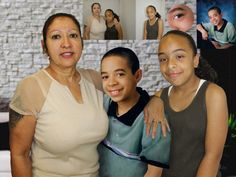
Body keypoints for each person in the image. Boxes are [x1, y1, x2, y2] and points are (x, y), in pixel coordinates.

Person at [9, 13, 166, 177]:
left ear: (82, 42)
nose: (66, 44)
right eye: (56, 37)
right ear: (44, 45)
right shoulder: (31, 87)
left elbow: (131, 95)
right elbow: (19, 155)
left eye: (73, 35)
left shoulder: (95, 80)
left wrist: (155, 101)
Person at [154, 30, 228, 177]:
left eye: (179, 56)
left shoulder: (213, 94)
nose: (170, 65)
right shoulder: (158, 98)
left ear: (195, 60)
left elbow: (213, 156)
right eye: (163, 59)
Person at [98, 47, 171, 177]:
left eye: (120, 74)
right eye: (105, 77)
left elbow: (154, 173)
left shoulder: (154, 119)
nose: (111, 83)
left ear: (137, 75)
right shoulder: (104, 103)